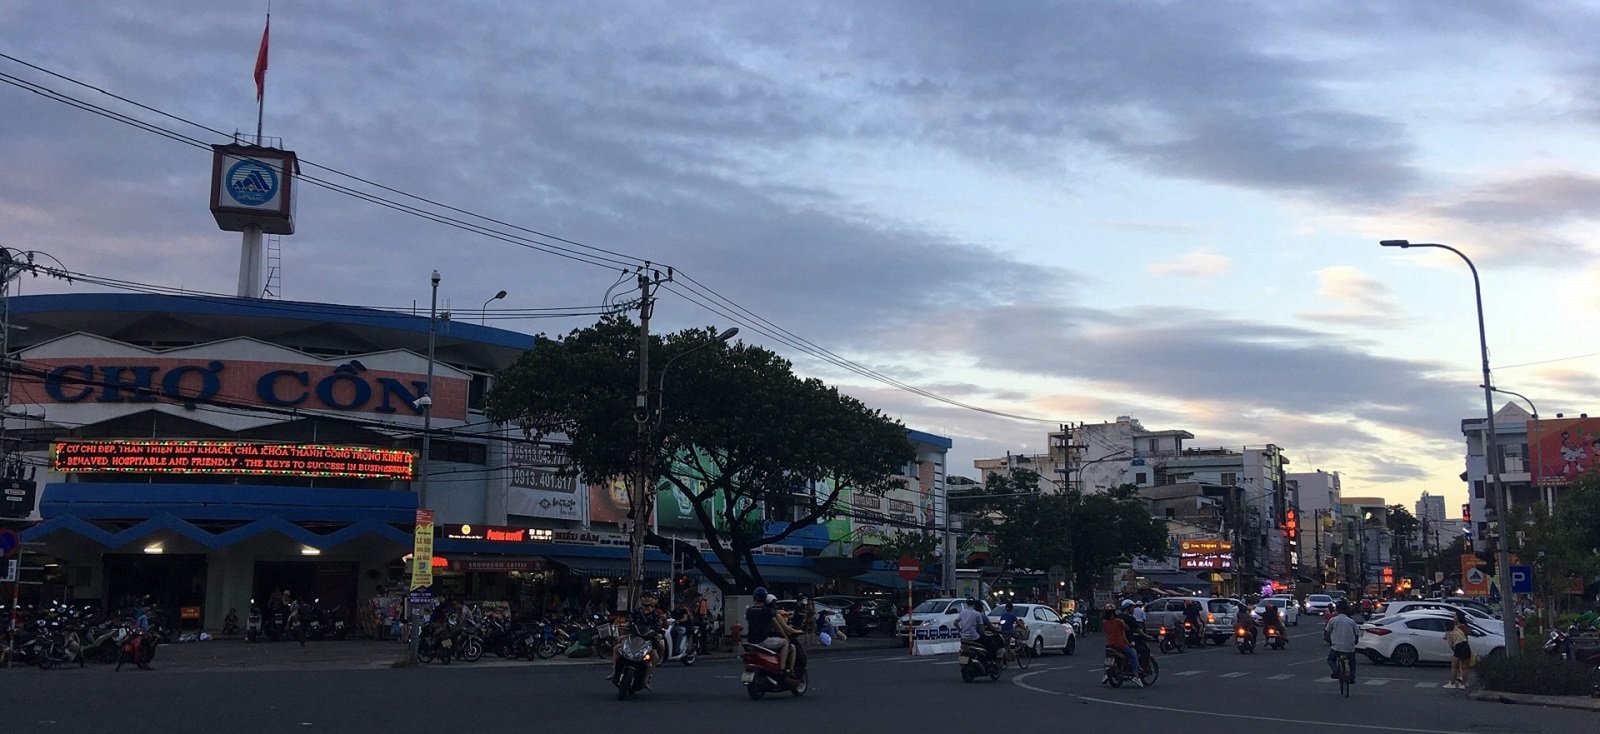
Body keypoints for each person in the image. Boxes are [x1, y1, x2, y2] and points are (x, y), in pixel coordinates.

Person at [744, 588, 795, 677]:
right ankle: (782, 669)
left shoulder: (749, 611)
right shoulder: (767, 612)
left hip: (751, 641)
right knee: (785, 643)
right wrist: (785, 637)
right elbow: (778, 627)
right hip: (763, 640)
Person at [1103, 606, 1143, 687]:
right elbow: (1127, 628)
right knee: (1133, 655)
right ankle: (1136, 676)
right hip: (1120, 644)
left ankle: (1105, 674)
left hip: (1109, 644)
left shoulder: (1104, 622)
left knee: (1107, 658)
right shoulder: (1118, 621)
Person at [1324, 601, 1360, 682]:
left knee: (1331, 659)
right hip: (1349, 648)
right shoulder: (1351, 621)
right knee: (1352, 662)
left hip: (1336, 647)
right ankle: (1352, 677)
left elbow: (1327, 632)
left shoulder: (1333, 620)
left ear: (1337, 610)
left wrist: (1328, 639)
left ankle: (1336, 671)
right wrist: (1355, 642)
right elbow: (1356, 634)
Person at [1445, 611, 1471, 689]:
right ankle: (1463, 684)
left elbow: (1451, 645)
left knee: (1454, 667)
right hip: (1466, 646)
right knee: (1464, 667)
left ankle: (1452, 683)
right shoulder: (1461, 627)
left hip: (1459, 646)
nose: (1454, 618)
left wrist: (1455, 650)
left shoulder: (1451, 632)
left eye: (1455, 616)